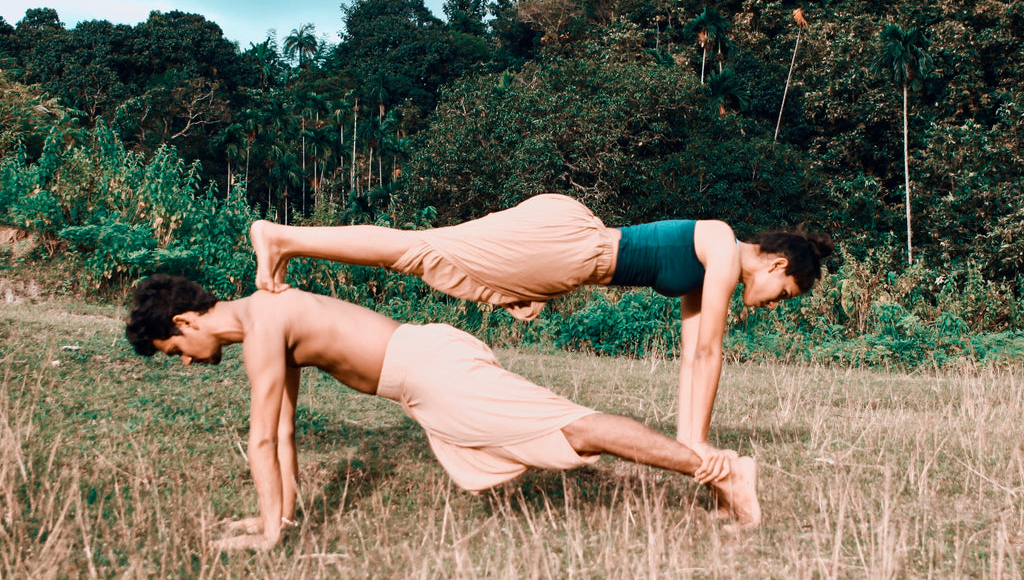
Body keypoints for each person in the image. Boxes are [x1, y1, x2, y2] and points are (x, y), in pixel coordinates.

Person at [125, 274, 762, 550]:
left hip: (427, 371)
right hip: (422, 375)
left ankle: (721, 471)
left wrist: (265, 534)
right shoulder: (263, 320)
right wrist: (279, 518)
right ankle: (717, 472)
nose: (184, 360)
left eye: (174, 348)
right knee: (570, 431)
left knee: (576, 428)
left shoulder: (261, 323)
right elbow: (285, 432)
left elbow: (262, 442)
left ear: (184, 321)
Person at [249, 193, 833, 467]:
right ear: (776, 264)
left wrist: (689, 442)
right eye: (781, 295)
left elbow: (692, 359)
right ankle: (282, 237)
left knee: (436, 256)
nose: (770, 305)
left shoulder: (706, 270)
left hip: (566, 255)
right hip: (572, 246)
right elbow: (710, 353)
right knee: (420, 251)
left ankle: (287, 240)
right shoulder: (725, 249)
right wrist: (699, 449)